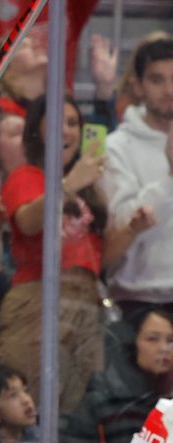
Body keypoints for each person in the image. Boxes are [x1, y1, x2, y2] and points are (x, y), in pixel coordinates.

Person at [0, 95, 109, 414]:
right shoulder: (26, 176)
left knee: (70, 413)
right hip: (38, 300)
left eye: (73, 123)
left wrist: (133, 229)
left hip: (85, 304)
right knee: (31, 410)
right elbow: (28, 222)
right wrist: (69, 184)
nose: (67, 131)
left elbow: (101, 257)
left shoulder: (90, 187)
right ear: (38, 130)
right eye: (58, 122)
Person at [100, 38, 173, 320]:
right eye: (157, 80)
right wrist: (170, 177)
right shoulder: (115, 147)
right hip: (138, 303)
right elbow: (122, 224)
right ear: (138, 86)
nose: (169, 90)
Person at [59, 307, 173, 443]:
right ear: (132, 345)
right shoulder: (102, 401)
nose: (164, 348)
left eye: (171, 340)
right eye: (152, 339)